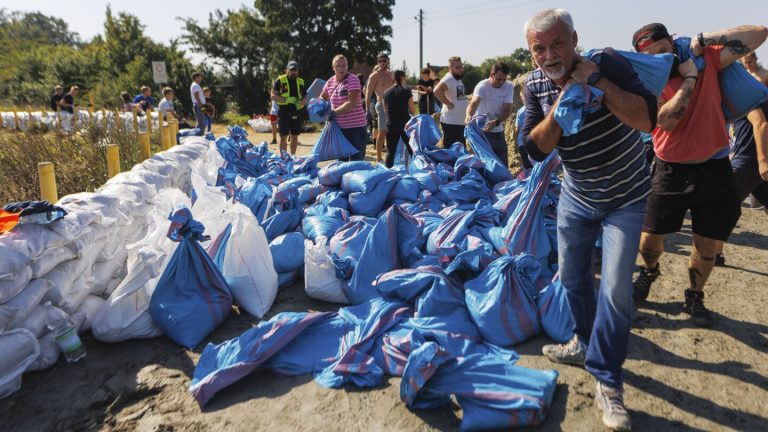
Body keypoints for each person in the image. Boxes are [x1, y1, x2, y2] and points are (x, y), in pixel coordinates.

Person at [521, 9, 658, 431]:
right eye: (539, 48)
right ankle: (582, 340)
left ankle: (607, 380)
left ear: (574, 39)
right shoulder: (534, 86)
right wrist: (561, 107)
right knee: (574, 280)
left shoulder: (609, 63)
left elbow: (645, 119)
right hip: (577, 198)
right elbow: (534, 151)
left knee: (616, 292)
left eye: (557, 44)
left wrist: (595, 81)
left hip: (626, 200)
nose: (549, 55)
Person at [631, 23, 767, 326]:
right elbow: (666, 121)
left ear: (672, 42)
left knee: (707, 246)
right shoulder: (645, 81)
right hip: (669, 170)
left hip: (714, 168)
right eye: (652, 57)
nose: (661, 62)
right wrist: (690, 75)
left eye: (664, 53)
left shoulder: (707, 56)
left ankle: (694, 294)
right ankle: (650, 270)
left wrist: (704, 40)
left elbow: (759, 33)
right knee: (648, 243)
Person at [321, 54, 368, 161]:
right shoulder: (330, 82)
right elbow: (322, 97)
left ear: (347, 67)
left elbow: (351, 104)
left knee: (356, 163)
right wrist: (317, 105)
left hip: (356, 128)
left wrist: (333, 112)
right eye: (338, 66)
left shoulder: (353, 80)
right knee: (341, 163)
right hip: (339, 129)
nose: (342, 68)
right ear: (333, 67)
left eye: (344, 66)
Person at [465, 61, 514, 164]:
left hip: (497, 130)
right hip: (482, 132)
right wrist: (468, 115)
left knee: (502, 163)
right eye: (498, 79)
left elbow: (507, 109)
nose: (501, 83)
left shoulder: (509, 86)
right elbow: (474, 103)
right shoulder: (482, 86)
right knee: (485, 163)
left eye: (504, 80)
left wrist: (496, 122)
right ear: (491, 75)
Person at [272, 61, 307, 155]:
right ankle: (283, 159)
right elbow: (273, 96)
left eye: (295, 70)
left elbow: (304, 96)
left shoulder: (301, 82)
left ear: (298, 71)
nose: (293, 72)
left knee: (295, 135)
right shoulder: (280, 80)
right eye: (291, 70)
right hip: (283, 111)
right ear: (286, 70)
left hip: (296, 111)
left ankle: (292, 157)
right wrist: (286, 100)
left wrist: (302, 102)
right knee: (283, 136)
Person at [382, 70, 416, 168]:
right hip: (405, 125)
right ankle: (416, 170)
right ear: (402, 78)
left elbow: (385, 110)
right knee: (411, 149)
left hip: (391, 124)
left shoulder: (386, 92)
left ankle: (388, 173)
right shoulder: (406, 91)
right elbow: (413, 110)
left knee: (390, 152)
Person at [365, 52, 395, 163]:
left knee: (393, 132)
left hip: (393, 106)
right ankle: (378, 158)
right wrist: (367, 110)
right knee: (382, 132)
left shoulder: (392, 74)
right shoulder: (374, 75)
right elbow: (367, 93)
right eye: (380, 61)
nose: (382, 63)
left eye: (384, 60)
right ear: (377, 62)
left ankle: (391, 156)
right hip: (381, 105)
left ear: (388, 61)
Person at [434, 56, 469, 147]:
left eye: (461, 66)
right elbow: (436, 91)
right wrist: (447, 103)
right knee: (452, 152)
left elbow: (460, 98)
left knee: (459, 151)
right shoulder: (449, 78)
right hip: (451, 123)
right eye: (457, 67)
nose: (460, 69)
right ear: (450, 68)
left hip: (459, 123)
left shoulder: (457, 79)